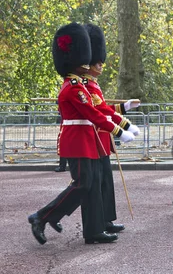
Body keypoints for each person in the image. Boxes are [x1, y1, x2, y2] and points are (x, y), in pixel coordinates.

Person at [27, 22, 135, 245]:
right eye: (84, 61)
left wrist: (123, 121)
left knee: (92, 184)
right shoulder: (73, 88)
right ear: (74, 63)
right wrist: (118, 130)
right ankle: (42, 216)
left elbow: (98, 110)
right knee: (83, 184)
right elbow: (92, 113)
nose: (89, 65)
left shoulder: (80, 85)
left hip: (87, 140)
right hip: (77, 142)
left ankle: (93, 231)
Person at [83, 24, 141, 235]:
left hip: (103, 138)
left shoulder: (94, 84)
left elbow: (105, 108)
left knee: (106, 182)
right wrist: (123, 127)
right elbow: (101, 113)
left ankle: (106, 220)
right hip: (95, 138)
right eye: (97, 62)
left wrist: (125, 108)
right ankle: (98, 224)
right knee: (97, 184)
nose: (100, 65)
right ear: (88, 63)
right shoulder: (86, 85)